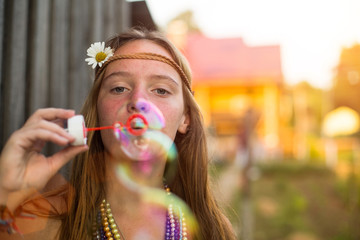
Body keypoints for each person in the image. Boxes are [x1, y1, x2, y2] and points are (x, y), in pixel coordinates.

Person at [0, 28, 236, 240]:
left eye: (161, 90)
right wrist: (5, 193)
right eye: (119, 88)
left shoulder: (214, 230)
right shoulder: (41, 223)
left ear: (185, 118)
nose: (138, 102)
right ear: (98, 111)